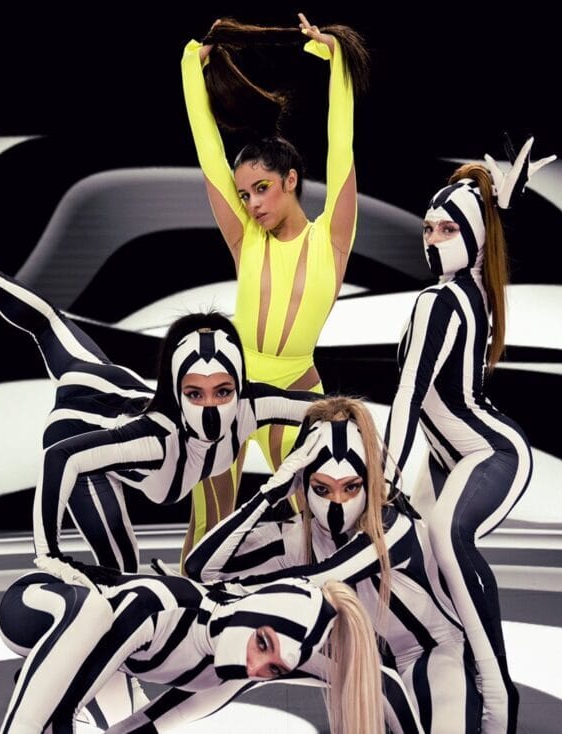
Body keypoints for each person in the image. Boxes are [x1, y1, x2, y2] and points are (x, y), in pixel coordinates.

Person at [0, 226, 320, 578]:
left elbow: (331, 410)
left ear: (240, 387)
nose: (211, 409)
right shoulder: (156, 442)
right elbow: (61, 458)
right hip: (75, 431)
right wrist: (48, 553)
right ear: (176, 394)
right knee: (122, 574)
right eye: (195, 393)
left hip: (105, 377)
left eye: (222, 391)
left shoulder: (252, 405)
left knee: (49, 323)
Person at [179, 12, 368, 559]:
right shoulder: (245, 239)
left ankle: (327, 604)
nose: (252, 203)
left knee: (320, 521)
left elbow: (342, 145)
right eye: (244, 195)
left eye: (261, 188)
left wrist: (337, 64)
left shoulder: (331, 239)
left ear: (291, 180)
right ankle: (188, 599)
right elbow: (208, 151)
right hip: (234, 392)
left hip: (297, 393)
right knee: (209, 521)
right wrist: (192, 71)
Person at [382, 139, 554, 734]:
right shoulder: (467, 291)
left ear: (474, 237)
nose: (432, 240)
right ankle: (454, 696)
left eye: (447, 229)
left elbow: (409, 395)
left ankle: (497, 700)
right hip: (452, 459)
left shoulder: (443, 301)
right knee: (426, 561)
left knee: (446, 538)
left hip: (491, 453)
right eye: (428, 229)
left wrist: (383, 477)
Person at [185, 397, 479, 732]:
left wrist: (237, 592)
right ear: (302, 481)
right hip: (367, 668)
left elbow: (325, 576)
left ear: (369, 478)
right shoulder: (295, 537)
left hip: (433, 654)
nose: (336, 502)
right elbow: (201, 567)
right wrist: (269, 492)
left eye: (351, 487)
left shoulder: (392, 526)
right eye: (321, 488)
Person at [0, 567, 383, 734]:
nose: (256, 667)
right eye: (263, 643)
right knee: (92, 614)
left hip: (112, 660)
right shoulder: (160, 609)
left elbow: (368, 678)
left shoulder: (234, 671)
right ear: (249, 612)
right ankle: (35, 683)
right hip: (39, 605)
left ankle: (43, 680)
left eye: (275, 669)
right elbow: (58, 716)